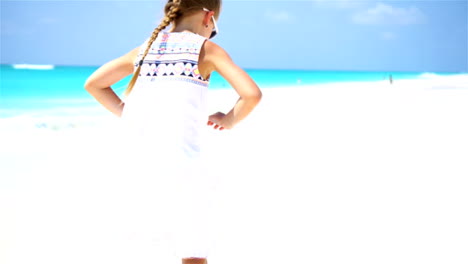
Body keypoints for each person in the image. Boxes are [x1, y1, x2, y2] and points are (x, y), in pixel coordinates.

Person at [84, 0, 261, 263]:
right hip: (184, 168)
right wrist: (228, 119)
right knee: (192, 255)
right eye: (214, 28)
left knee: (144, 248)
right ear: (208, 17)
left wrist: (129, 113)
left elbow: (94, 84)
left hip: (136, 167)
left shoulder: (144, 49)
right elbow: (251, 94)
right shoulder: (207, 49)